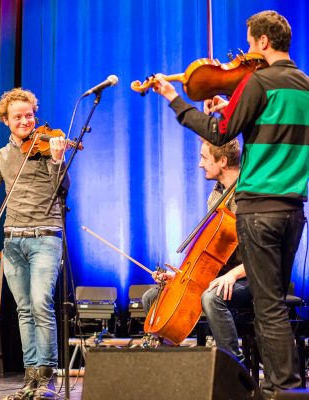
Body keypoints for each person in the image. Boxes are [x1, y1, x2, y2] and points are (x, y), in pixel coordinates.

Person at [150, 10, 308, 397]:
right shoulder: (304, 84)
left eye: (251, 43)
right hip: (293, 210)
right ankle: (280, 383)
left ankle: (281, 388)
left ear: (263, 42)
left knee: (266, 306)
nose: (248, 52)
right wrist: (233, 108)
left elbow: (218, 133)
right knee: (271, 303)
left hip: (258, 208)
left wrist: (174, 99)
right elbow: (270, 126)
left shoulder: (259, 81)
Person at [0, 88, 69, 400]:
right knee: (24, 309)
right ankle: (30, 377)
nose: (26, 120)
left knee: (41, 302)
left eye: (29, 114)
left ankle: (48, 377)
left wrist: (57, 159)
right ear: (5, 120)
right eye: (18, 116)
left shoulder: (47, 146)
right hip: (13, 240)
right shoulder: (2, 157)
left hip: (45, 236)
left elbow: (62, 188)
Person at [141, 138, 252, 361]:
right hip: (223, 275)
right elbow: (214, 253)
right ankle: (168, 369)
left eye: (204, 158)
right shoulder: (216, 196)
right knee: (153, 297)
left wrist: (232, 275)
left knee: (212, 298)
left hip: (250, 276)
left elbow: (263, 256)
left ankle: (233, 368)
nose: (200, 164)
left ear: (222, 161)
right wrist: (184, 276)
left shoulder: (247, 196)